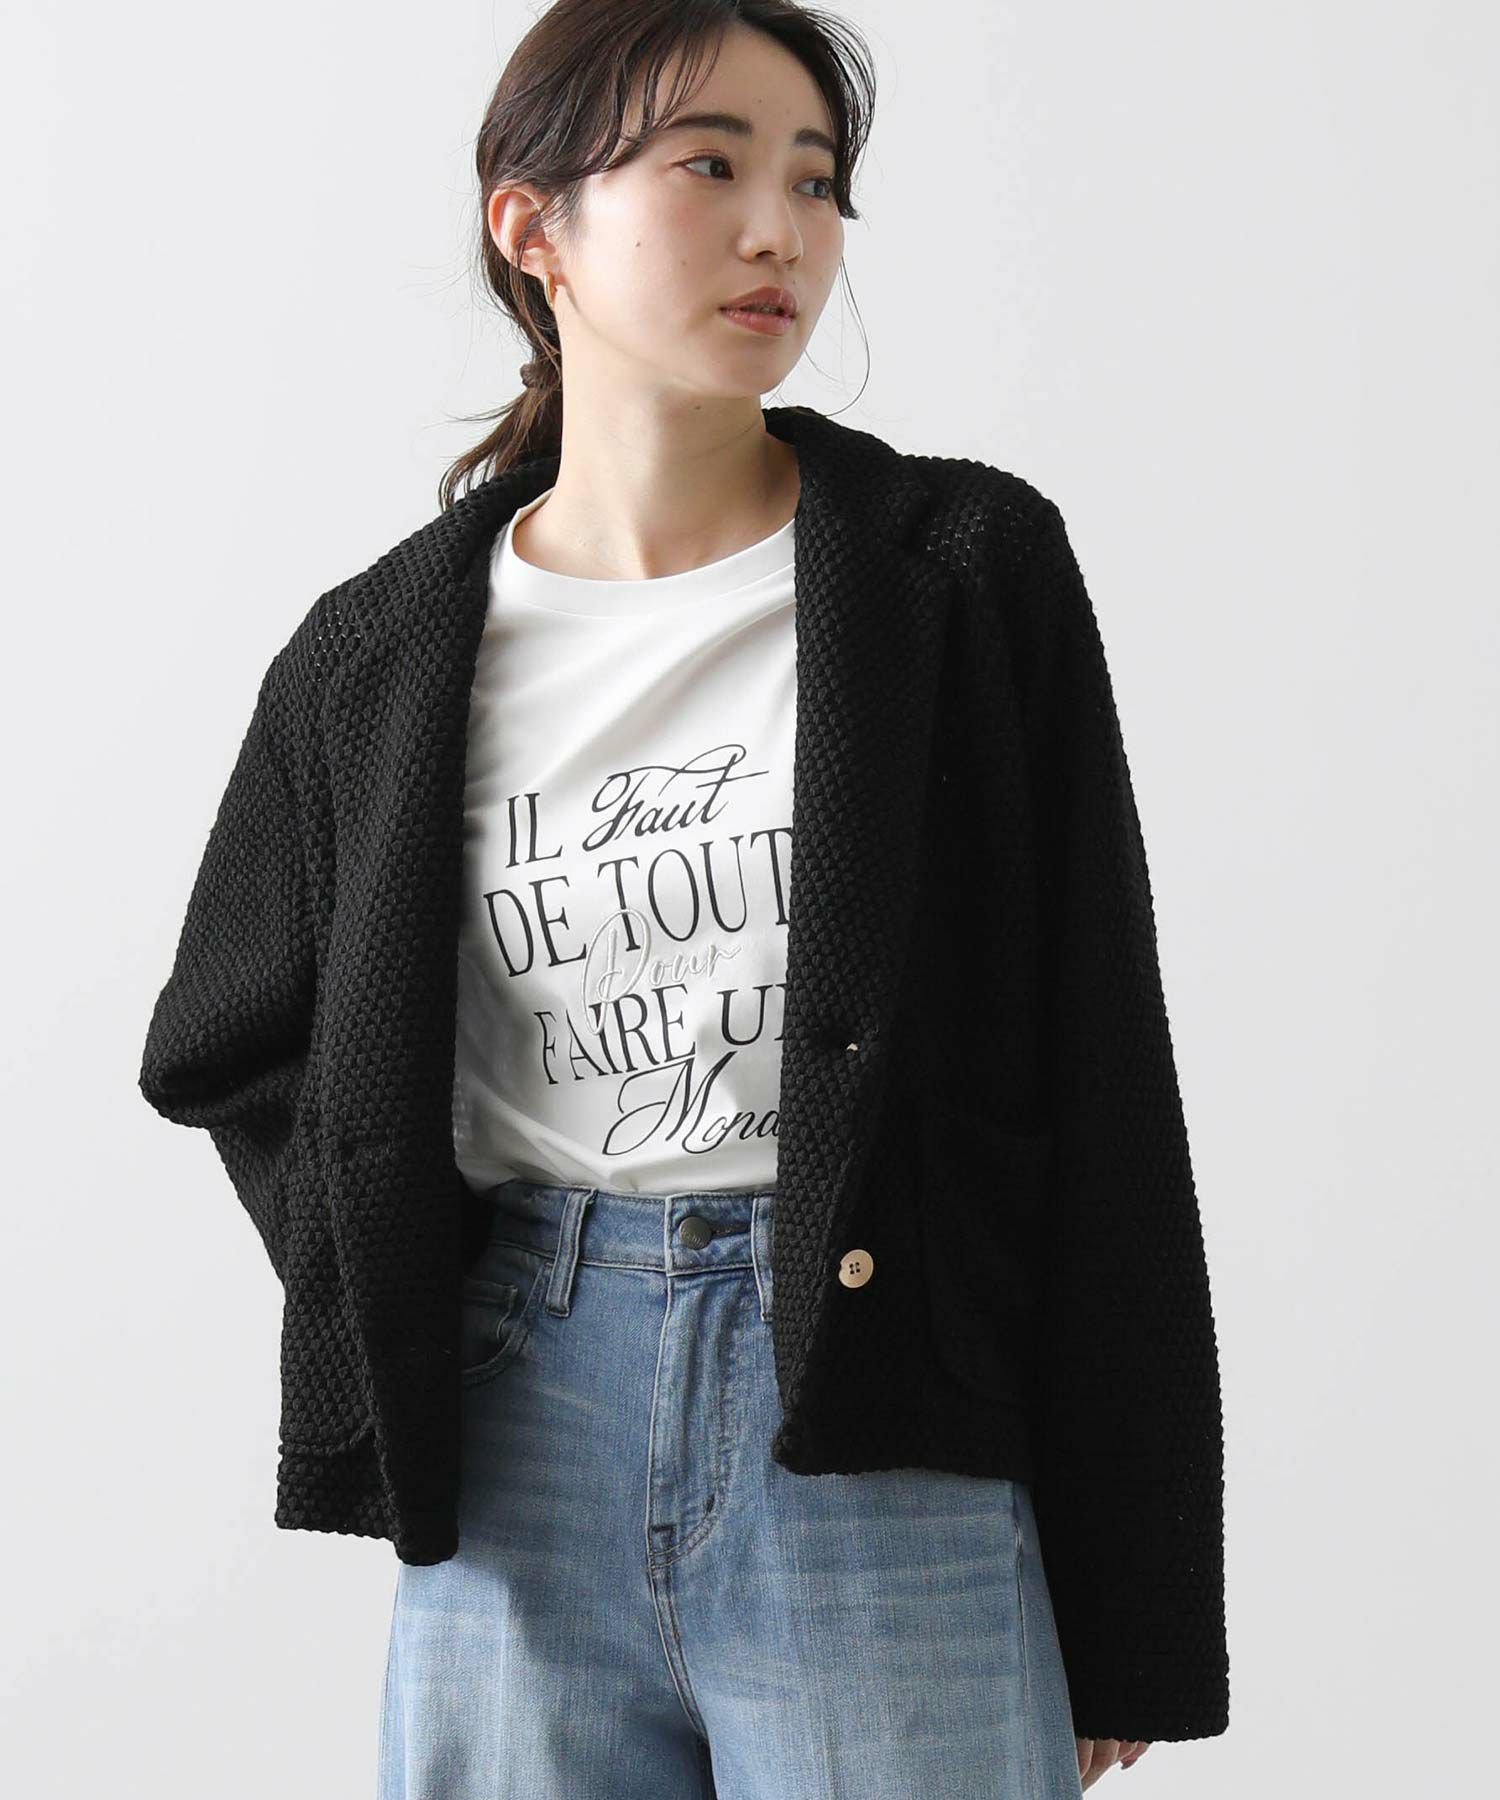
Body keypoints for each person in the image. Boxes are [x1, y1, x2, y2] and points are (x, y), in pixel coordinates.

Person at [138, 3, 1228, 1794]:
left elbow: (1102, 1077)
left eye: (816, 180)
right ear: (532, 225)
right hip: (519, 1421)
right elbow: (226, 1041)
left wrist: (1137, 1605)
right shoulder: (373, 656)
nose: (778, 231)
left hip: (877, 1415)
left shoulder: (960, 573)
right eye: (708, 166)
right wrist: (406, 1289)